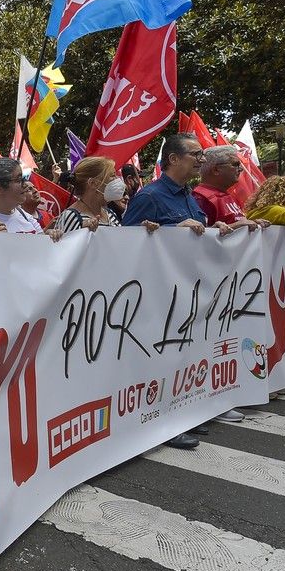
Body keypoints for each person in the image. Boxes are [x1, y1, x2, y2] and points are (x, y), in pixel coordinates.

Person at [121, 134, 241, 445]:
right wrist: (174, 231)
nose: (202, 160)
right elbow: (125, 244)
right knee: (161, 361)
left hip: (190, 291)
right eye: (195, 154)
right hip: (159, 297)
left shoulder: (187, 196)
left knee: (185, 358)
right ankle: (161, 424)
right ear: (173, 159)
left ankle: (183, 414)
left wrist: (216, 230)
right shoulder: (150, 197)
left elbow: (196, 234)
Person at [0, 157, 61, 240]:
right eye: (19, 180)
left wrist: (48, 237)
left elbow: (40, 249)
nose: (25, 184)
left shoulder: (25, 215)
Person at [193, 145, 265, 229]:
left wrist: (252, 223)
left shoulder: (226, 194)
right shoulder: (201, 197)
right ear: (216, 170)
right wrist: (235, 226)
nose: (241, 169)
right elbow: (198, 235)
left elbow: (235, 222)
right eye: (236, 164)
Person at [59, 156, 123, 232]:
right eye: (112, 176)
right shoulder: (71, 218)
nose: (117, 179)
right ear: (93, 183)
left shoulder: (110, 214)